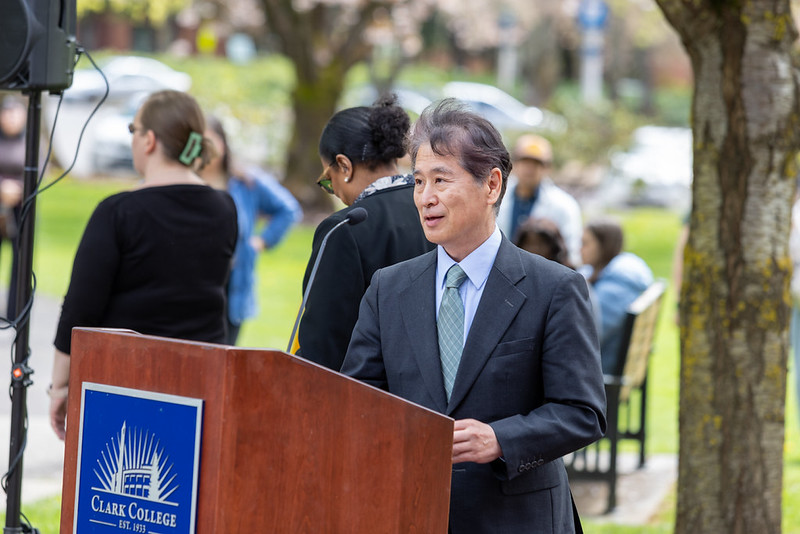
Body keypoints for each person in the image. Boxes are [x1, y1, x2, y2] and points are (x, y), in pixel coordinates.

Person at [341, 99, 606, 533]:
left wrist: (500, 440)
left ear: (492, 185)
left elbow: (582, 412)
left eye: (441, 180)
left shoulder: (554, 288)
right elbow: (357, 403)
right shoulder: (388, 288)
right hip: (412, 512)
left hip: (518, 518)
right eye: (419, 181)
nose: (426, 198)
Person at [48, 90, 238, 440]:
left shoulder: (118, 212)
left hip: (125, 383)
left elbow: (80, 308)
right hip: (200, 383)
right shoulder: (224, 208)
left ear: (148, 140)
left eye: (132, 129)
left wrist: (59, 386)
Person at [295, 94, 433, 370]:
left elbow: (322, 344)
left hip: (364, 393)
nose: (333, 191)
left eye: (328, 180)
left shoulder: (345, 228)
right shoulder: (434, 211)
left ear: (344, 166)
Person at [200, 115, 302, 345]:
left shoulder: (246, 183)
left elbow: (288, 209)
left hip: (232, 289)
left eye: (209, 141)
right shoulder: (186, 184)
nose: (204, 150)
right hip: (194, 287)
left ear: (223, 144)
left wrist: (262, 241)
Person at [579, 218, 654, 375]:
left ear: (604, 246)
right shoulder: (606, 275)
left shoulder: (618, 286)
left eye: (585, 243)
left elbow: (589, 336)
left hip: (600, 373)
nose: (580, 250)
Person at [496, 133, 583, 266]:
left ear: (547, 168)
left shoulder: (564, 205)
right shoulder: (496, 197)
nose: (529, 169)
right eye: (525, 162)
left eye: (536, 163)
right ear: (514, 163)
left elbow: (573, 255)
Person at [0, 96, 26, 318]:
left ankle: (14, 312)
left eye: (16, 113)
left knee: (20, 260)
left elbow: (38, 171)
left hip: (21, 207)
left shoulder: (30, 141)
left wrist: (17, 189)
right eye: (6, 113)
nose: (11, 118)